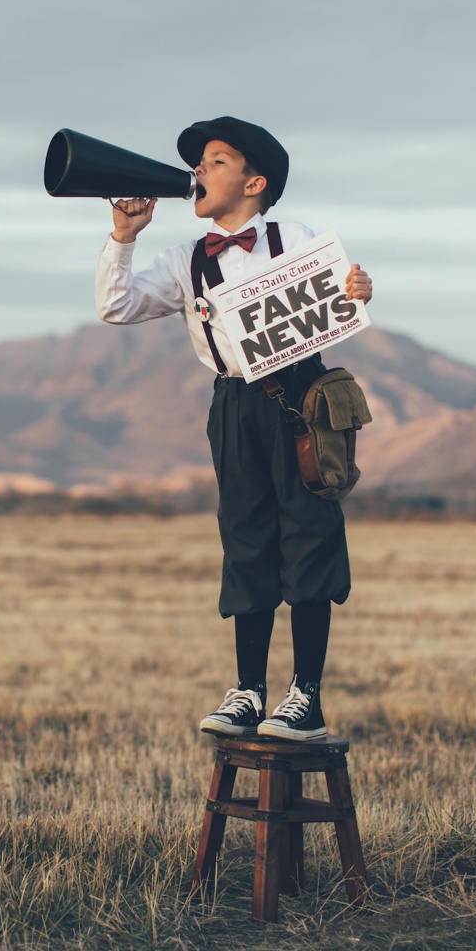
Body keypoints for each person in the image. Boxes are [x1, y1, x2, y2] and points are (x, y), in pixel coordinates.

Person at [95, 116, 373, 741]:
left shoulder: (296, 236)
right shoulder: (183, 258)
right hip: (233, 407)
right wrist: (123, 237)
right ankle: (249, 690)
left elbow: (341, 301)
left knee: (309, 535)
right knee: (245, 538)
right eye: (200, 162)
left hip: (303, 398)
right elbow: (115, 307)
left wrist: (359, 289)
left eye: (216, 161)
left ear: (255, 182)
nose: (199, 170)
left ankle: (306, 696)